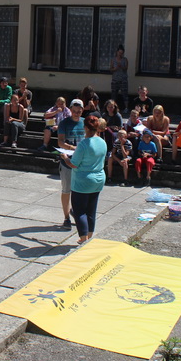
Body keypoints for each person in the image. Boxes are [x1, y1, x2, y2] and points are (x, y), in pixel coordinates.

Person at [60, 115, 107, 245]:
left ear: (85, 128)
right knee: (91, 210)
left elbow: (73, 164)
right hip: (98, 179)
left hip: (83, 181)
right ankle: (89, 236)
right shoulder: (102, 142)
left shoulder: (83, 144)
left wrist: (65, 157)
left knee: (79, 211)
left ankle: (83, 238)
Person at [57, 98, 86, 229]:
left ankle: (76, 212)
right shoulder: (64, 123)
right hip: (67, 161)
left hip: (81, 162)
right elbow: (60, 142)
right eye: (74, 111)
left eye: (79, 111)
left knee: (80, 191)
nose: (76, 114)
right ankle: (66, 217)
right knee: (66, 190)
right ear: (70, 110)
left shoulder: (85, 122)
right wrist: (72, 148)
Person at [110, 44, 129, 113]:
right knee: (114, 94)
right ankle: (112, 107)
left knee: (125, 94)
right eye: (119, 53)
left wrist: (121, 67)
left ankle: (126, 108)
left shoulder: (125, 59)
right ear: (117, 52)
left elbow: (126, 68)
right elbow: (111, 69)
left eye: (122, 53)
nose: (120, 54)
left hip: (123, 80)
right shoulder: (113, 60)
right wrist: (115, 68)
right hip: (115, 79)